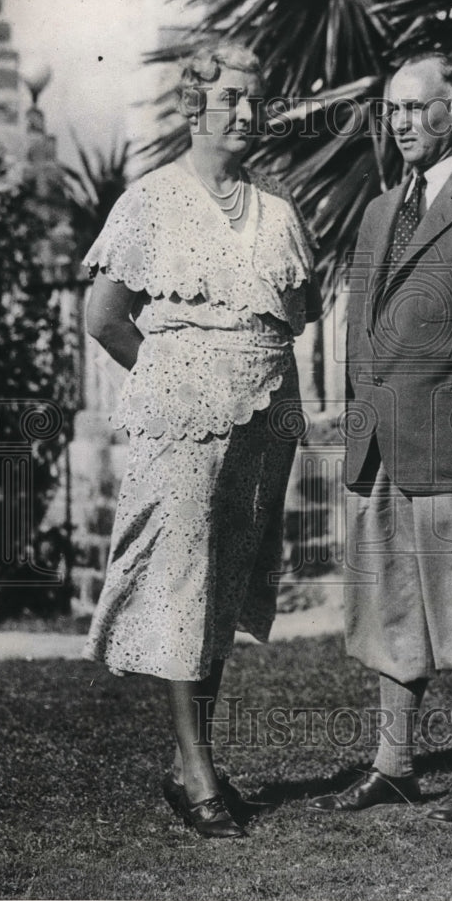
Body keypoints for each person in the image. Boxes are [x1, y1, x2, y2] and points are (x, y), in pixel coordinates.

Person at [81, 42, 320, 839]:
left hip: (262, 416)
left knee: (222, 579)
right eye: (231, 100)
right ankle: (193, 770)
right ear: (193, 105)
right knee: (180, 579)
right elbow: (104, 317)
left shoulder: (277, 213)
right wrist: (175, 373)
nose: (247, 114)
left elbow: (298, 308)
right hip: (180, 419)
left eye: (258, 100)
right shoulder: (149, 201)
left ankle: (197, 759)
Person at [308, 51, 452, 821]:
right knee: (388, 608)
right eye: (393, 110)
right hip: (381, 447)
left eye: (416, 108)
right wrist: (358, 426)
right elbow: (359, 332)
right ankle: (393, 763)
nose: (401, 122)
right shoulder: (379, 210)